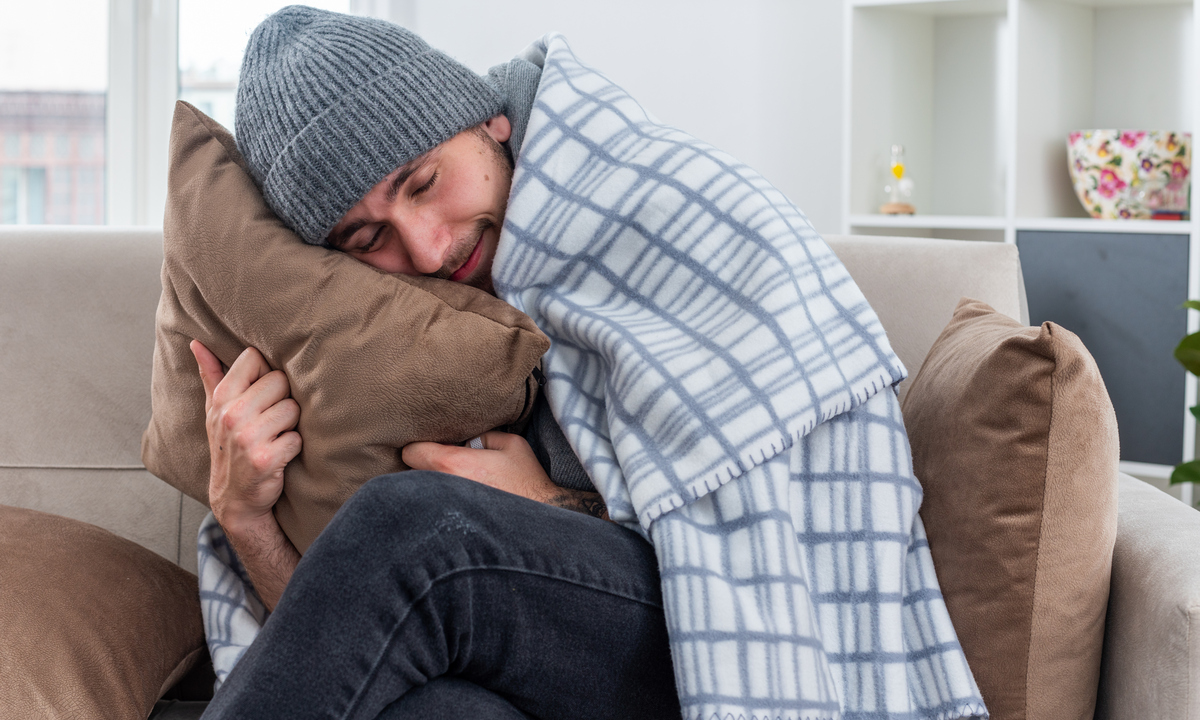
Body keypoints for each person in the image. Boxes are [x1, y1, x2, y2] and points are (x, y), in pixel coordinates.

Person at [196, 6, 988, 720]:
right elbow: (347, 659)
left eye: (424, 183)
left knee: (414, 527)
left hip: (731, 629)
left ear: (489, 122)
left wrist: (550, 503)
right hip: (549, 667)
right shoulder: (397, 342)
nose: (429, 248)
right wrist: (245, 518)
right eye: (367, 239)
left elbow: (778, 533)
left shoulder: (674, 205)